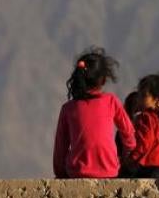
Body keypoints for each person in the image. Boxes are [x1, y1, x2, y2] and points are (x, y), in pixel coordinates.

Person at [53, 48, 136, 179]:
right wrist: (126, 159)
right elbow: (129, 134)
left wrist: (60, 173)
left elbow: (60, 148)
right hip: (109, 171)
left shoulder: (68, 108)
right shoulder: (111, 101)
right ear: (103, 80)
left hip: (77, 172)